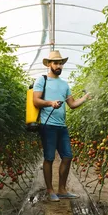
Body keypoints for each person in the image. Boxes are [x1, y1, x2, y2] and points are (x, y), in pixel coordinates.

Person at [33, 51, 91, 202]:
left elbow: (71, 104)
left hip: (62, 126)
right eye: (56, 63)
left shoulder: (64, 84)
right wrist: (50, 103)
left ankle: (62, 189)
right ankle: (50, 190)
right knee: (49, 158)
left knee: (67, 156)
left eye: (61, 63)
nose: (59, 66)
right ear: (49, 64)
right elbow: (36, 101)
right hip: (48, 126)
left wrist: (84, 98)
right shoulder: (42, 80)